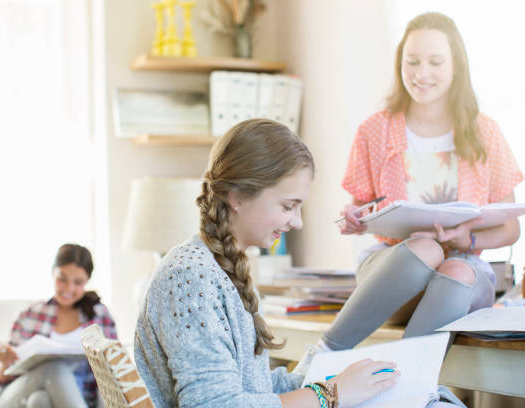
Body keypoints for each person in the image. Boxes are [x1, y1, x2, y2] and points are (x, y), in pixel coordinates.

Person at [134, 119, 402, 408]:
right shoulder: (190, 278)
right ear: (236, 196)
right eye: (288, 206)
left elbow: (254, 388)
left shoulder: (219, 269)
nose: (297, 222)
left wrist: (339, 380)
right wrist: (330, 395)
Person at [319, 11, 523, 352]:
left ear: (455, 66)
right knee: (425, 249)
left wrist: (467, 239)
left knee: (456, 269)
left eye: (435, 62)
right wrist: (353, 217)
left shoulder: (484, 131)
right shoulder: (374, 130)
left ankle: (409, 382)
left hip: (464, 271)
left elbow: (511, 228)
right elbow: (359, 206)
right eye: (411, 61)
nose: (421, 73)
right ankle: (327, 351)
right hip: (393, 270)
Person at [0, 243, 117, 408]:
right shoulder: (30, 315)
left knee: (39, 401)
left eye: (78, 282)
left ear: (87, 281)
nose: (69, 288)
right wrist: (3, 362)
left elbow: (114, 369)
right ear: (52, 273)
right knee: (55, 368)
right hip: (16, 395)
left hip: (73, 398)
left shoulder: (99, 316)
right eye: (62, 279)